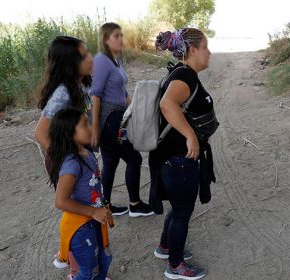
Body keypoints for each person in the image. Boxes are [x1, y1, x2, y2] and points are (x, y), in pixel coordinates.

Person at [150, 27, 217, 280]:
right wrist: (190, 136)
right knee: (182, 213)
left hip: (172, 158)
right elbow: (167, 104)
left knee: (178, 209)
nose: (209, 53)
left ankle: (165, 247)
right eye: (205, 47)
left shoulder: (183, 73)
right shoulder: (184, 76)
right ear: (192, 50)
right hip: (177, 159)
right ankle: (175, 266)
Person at [34, 35, 93, 279]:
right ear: (70, 63)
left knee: (82, 210)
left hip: (77, 159)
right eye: (84, 55)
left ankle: (69, 257)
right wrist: (67, 162)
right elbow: (40, 133)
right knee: (76, 212)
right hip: (68, 164)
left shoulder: (80, 84)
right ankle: (75, 270)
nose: (90, 58)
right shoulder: (62, 93)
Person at [90, 22, 153, 217]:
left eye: (121, 35)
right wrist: (94, 128)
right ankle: (134, 205)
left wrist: (136, 110)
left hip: (118, 117)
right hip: (109, 120)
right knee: (134, 159)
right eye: (116, 35)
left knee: (110, 163)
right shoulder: (101, 60)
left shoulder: (116, 60)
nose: (121, 39)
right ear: (105, 39)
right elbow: (95, 94)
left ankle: (105, 206)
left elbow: (123, 92)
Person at [48, 108, 112, 280]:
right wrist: (93, 211)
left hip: (94, 221)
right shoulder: (71, 164)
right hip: (81, 228)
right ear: (69, 133)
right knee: (88, 271)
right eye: (85, 125)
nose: (90, 127)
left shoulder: (86, 152)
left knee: (104, 260)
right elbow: (60, 201)